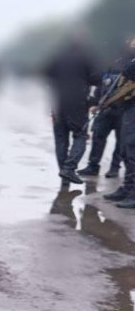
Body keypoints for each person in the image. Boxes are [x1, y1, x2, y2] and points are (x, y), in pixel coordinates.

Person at [43, 31, 101, 184]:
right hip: (77, 101)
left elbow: (46, 74)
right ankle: (69, 169)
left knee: (61, 138)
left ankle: (64, 175)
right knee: (80, 135)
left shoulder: (57, 55)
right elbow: (97, 78)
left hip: (58, 101)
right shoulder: (87, 56)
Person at [102, 36, 135, 209]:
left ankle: (133, 193)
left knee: (132, 149)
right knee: (126, 149)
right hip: (129, 107)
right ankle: (127, 188)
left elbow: (128, 71)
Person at [79, 63, 124, 178]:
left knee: (121, 141)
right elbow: (100, 85)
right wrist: (94, 103)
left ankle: (115, 167)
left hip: (124, 111)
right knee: (98, 137)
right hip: (105, 109)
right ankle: (93, 166)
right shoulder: (109, 64)